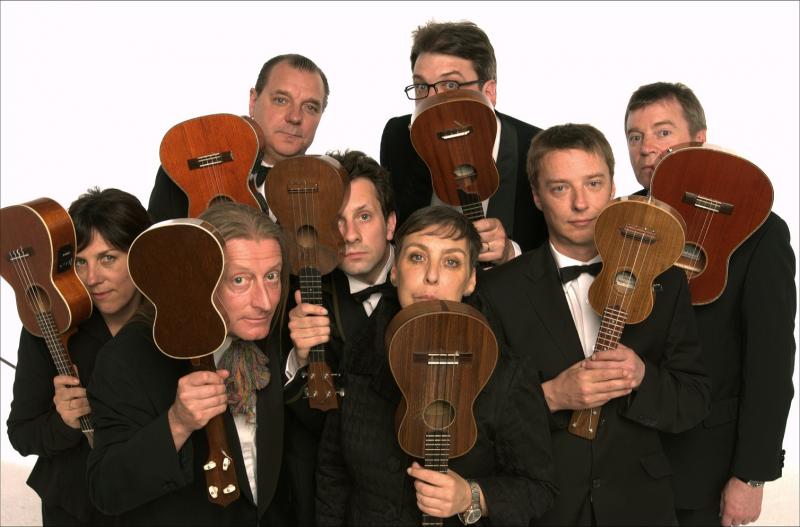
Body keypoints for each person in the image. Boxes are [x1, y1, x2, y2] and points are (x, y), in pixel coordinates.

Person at [475, 123, 711, 525]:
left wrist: (642, 377)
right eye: (560, 188)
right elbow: (478, 415)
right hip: (545, 507)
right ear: (536, 196)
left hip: (641, 507)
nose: (581, 204)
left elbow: (694, 400)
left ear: (613, 187)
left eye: (594, 183)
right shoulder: (497, 291)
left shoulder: (665, 279)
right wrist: (550, 396)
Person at [313, 206, 557, 526]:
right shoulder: (359, 356)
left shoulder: (507, 371)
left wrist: (471, 496)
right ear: (395, 270)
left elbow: (539, 489)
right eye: (417, 257)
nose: (431, 275)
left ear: (470, 280)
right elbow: (333, 471)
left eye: (451, 262)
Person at [624, 81, 796, 526]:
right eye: (635, 136)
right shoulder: (619, 217)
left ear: (699, 138)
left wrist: (751, 476)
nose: (646, 149)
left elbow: (771, 362)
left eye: (662, 132)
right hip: (617, 458)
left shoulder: (761, 232)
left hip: (704, 466)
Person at [86, 202, 292, 525]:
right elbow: (106, 489)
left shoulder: (270, 335)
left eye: (272, 276)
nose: (264, 301)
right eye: (240, 280)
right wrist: (177, 423)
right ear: (199, 277)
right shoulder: (127, 358)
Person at [7, 187, 152, 525]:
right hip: (75, 507)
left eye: (108, 258)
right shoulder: (47, 324)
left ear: (140, 254)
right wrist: (63, 422)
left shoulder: (169, 323)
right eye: (81, 262)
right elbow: (22, 434)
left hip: (154, 503)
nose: (92, 278)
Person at [282, 149, 398, 525]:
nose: (350, 235)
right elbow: (311, 425)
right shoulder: (302, 294)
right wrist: (300, 359)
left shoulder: (432, 271)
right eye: (337, 220)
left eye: (364, 216)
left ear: (391, 224)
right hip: (346, 494)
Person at [380, 20, 548, 264]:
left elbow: (563, 252)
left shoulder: (536, 148)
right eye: (420, 87)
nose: (431, 102)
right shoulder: (399, 137)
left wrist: (512, 253)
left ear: (489, 92)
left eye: (450, 85)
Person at [148, 53, 330, 222]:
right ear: (253, 101)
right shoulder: (186, 170)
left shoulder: (333, 186)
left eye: (310, 107)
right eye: (281, 100)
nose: (295, 117)